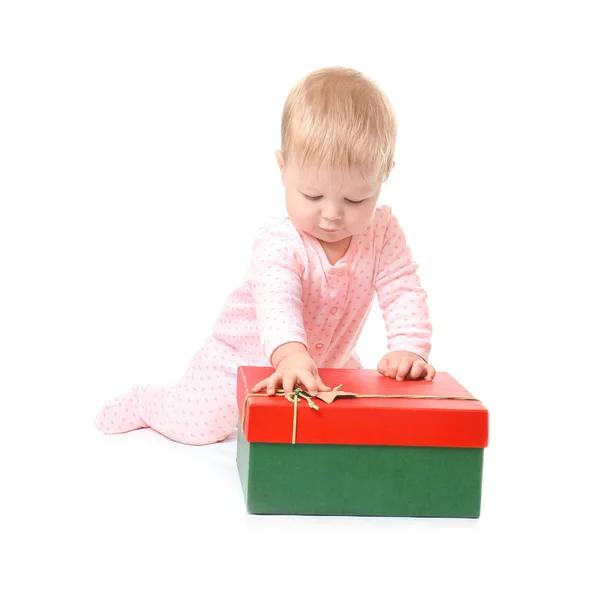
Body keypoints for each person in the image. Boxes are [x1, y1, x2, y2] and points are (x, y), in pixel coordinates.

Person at [94, 66, 435, 446]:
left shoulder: (382, 231)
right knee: (196, 427)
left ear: (384, 175)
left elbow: (402, 287)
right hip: (244, 357)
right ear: (283, 168)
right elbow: (278, 303)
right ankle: (148, 402)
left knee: (338, 427)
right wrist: (289, 355)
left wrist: (408, 347)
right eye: (312, 196)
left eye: (356, 199)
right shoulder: (279, 241)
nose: (332, 214)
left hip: (327, 362)